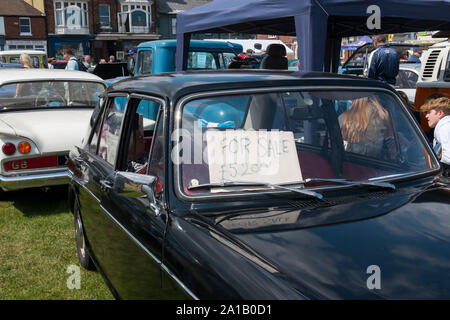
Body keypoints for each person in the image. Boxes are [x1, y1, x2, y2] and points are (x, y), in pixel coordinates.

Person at [339, 95, 396, 160]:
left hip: (350, 164)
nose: (350, 101)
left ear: (355, 99)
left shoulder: (344, 118)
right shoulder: (382, 116)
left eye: (351, 98)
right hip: (376, 166)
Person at [420, 96, 450, 176]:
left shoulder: (444, 126)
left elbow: (448, 157)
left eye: (429, 112)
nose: (426, 116)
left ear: (440, 113)